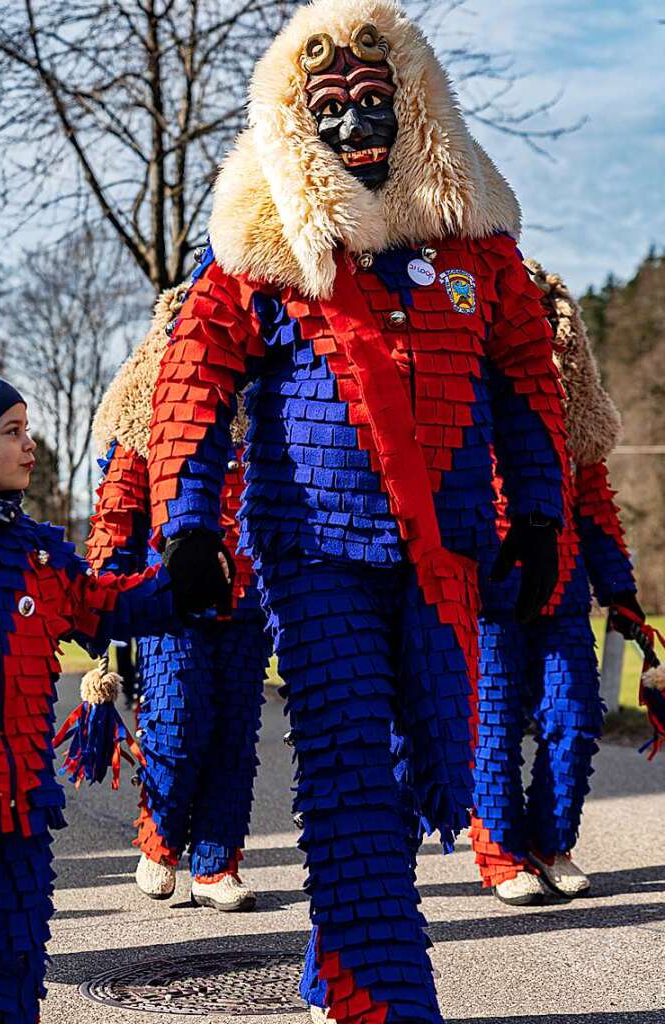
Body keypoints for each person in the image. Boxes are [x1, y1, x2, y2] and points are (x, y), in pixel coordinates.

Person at [140, 2, 569, 1020]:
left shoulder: (480, 256)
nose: (353, 123)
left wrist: (541, 515)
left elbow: (526, 380)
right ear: (294, 120)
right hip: (315, 549)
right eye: (328, 105)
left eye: (375, 99)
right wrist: (189, 522)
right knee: (347, 764)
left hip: (449, 547)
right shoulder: (262, 252)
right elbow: (192, 378)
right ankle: (382, 993)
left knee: (439, 765)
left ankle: (341, 956)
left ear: (415, 103)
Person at [0, 361, 178, 1024]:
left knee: (10, 973)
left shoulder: (39, 553)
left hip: (18, 818)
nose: (32, 446)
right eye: (12, 430)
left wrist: (184, 579)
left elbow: (101, 606)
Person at [87, 284, 269, 912]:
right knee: (177, 720)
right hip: (171, 604)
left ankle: (219, 862)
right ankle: (160, 841)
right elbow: (119, 504)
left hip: (248, 605)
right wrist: (104, 585)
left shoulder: (269, 413)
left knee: (233, 734)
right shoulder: (147, 416)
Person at [471, 261, 643, 906]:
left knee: (575, 718)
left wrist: (620, 591)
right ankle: (500, 855)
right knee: (490, 725)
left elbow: (595, 505)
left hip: (565, 593)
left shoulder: (573, 422)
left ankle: (552, 843)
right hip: (487, 596)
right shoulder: (461, 406)